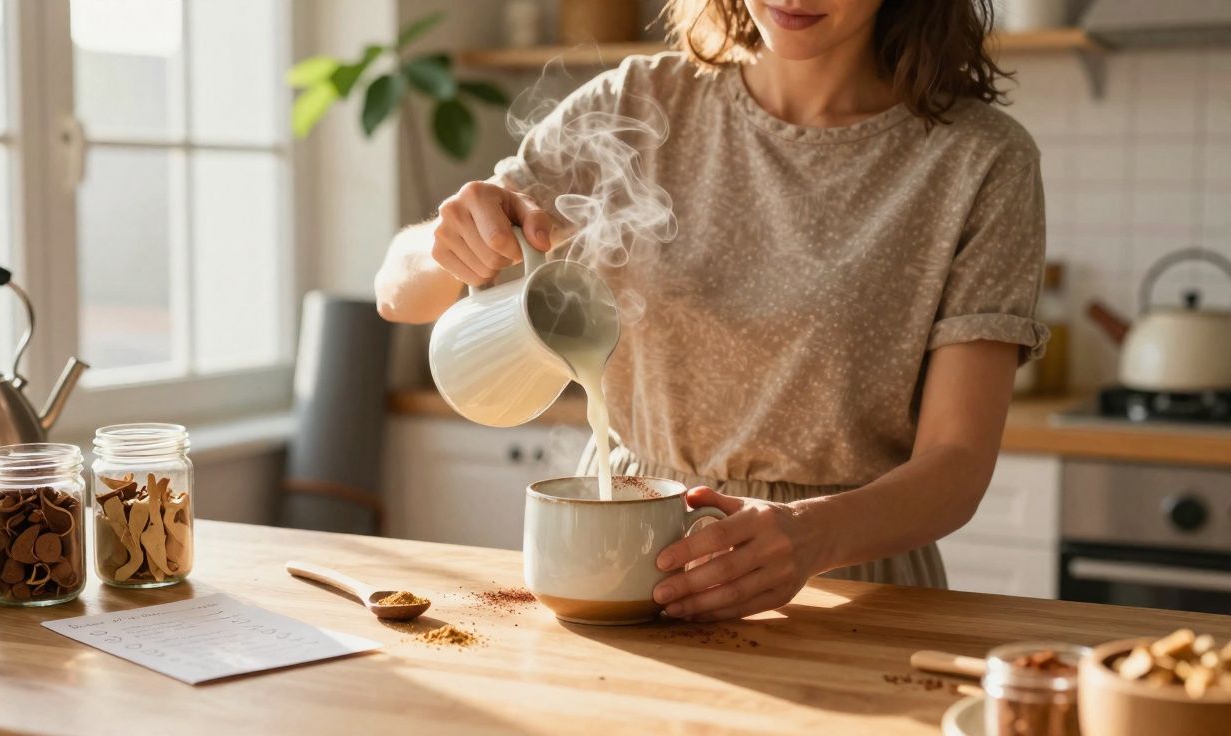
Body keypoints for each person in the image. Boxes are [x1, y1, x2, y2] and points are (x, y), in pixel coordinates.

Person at [374, 0, 1046, 622]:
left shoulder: (980, 159)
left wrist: (810, 536)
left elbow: (957, 464)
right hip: (624, 551)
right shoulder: (636, 104)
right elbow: (396, 294)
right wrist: (451, 243)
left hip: (845, 575)